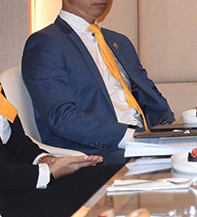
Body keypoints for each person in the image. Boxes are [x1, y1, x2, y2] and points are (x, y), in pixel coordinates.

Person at [21, 0, 174, 165]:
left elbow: (151, 96)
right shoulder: (46, 43)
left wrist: (171, 131)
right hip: (97, 153)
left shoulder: (119, 42)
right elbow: (61, 117)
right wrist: (129, 138)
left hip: (143, 142)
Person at [0, 84, 122, 217]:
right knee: (99, 195)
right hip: (9, 197)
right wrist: (47, 173)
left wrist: (46, 160)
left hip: (26, 176)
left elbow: (17, 140)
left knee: (117, 176)